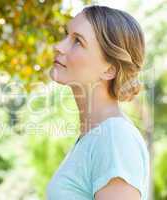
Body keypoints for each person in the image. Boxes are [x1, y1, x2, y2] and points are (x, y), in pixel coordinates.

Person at [47, 5, 150, 200]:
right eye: (67, 35)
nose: (58, 46)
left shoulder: (114, 138)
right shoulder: (94, 136)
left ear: (109, 70)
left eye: (78, 41)